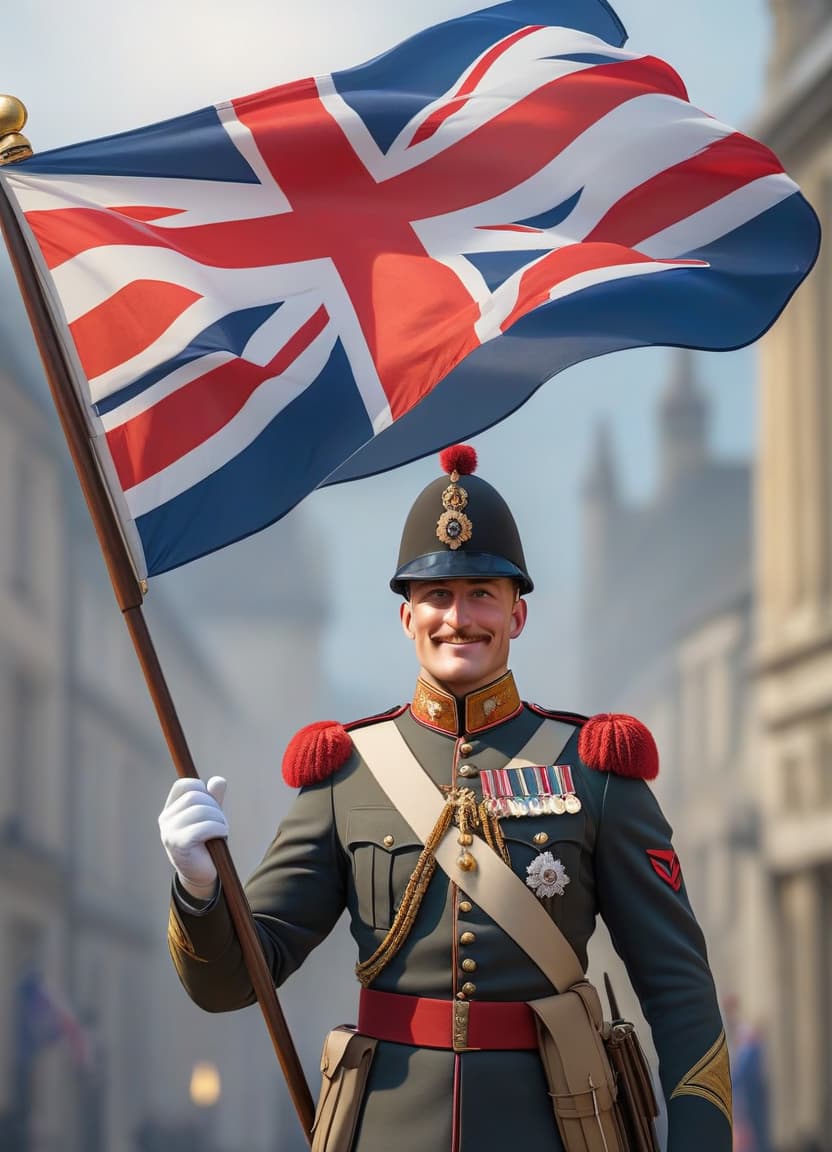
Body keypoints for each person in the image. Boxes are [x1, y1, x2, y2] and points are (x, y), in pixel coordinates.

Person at [159, 445, 732, 1152]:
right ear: (407, 618)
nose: (458, 618)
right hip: (386, 1130)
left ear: (517, 615)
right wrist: (200, 888)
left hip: (557, 1130)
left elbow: (678, 990)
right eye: (436, 596)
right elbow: (236, 980)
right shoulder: (347, 772)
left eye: (481, 593)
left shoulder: (594, 770)